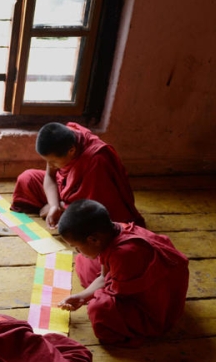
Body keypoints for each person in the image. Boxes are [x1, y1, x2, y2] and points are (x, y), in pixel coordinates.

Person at [11, 122, 145, 287]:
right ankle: (57, 207)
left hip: (89, 204)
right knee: (27, 178)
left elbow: (93, 210)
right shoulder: (65, 140)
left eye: (53, 161)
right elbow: (50, 177)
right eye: (47, 161)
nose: (50, 165)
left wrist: (62, 207)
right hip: (67, 190)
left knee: (90, 265)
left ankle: (61, 209)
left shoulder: (96, 161)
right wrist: (54, 205)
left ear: (72, 151)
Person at [57, 199, 189, 346]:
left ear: (93, 240)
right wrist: (82, 297)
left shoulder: (124, 254)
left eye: (76, 246)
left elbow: (118, 295)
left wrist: (96, 298)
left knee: (99, 309)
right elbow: (103, 276)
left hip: (159, 304)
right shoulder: (114, 229)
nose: (76, 250)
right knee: (84, 261)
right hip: (131, 273)